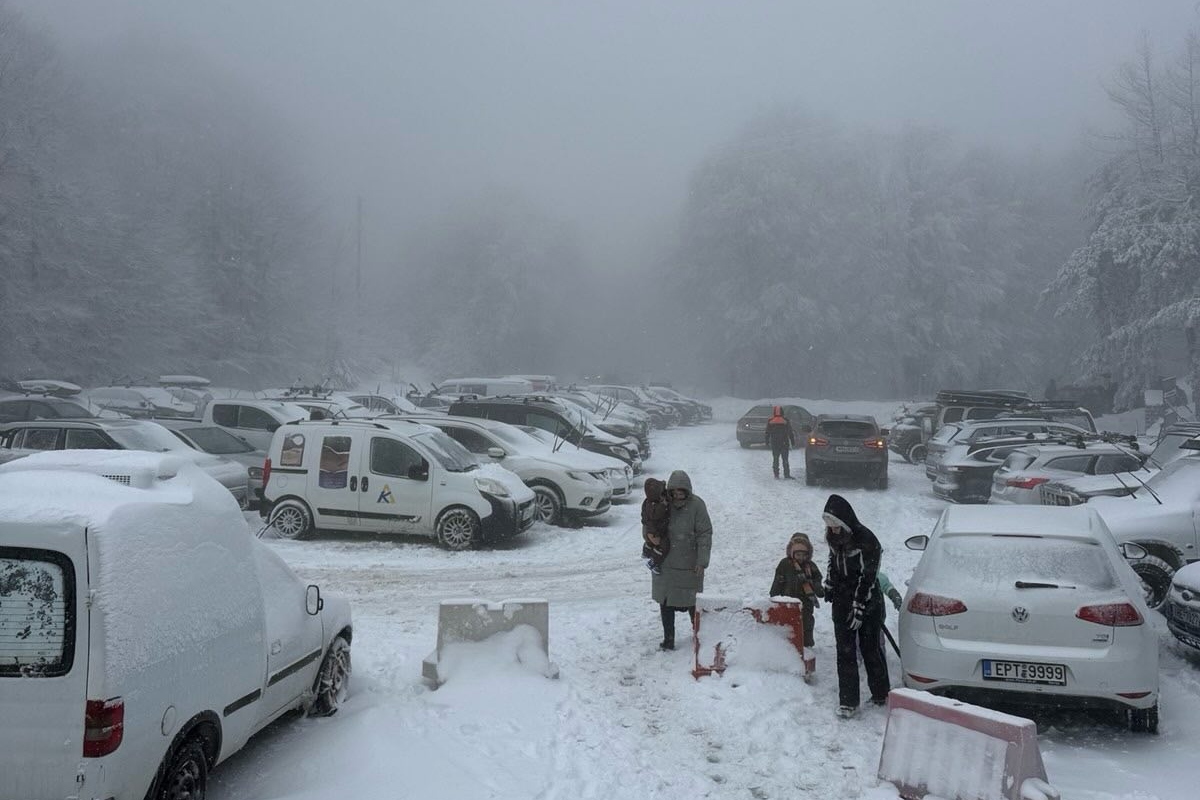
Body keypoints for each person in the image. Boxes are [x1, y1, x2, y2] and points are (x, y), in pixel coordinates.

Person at [822, 493, 890, 718]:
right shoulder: (834, 538)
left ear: (844, 521)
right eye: (828, 524)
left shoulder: (866, 540)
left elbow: (868, 576)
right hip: (842, 600)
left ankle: (881, 693)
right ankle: (848, 702)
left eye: (834, 524)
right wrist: (830, 584)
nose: (831, 529)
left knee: (870, 648)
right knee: (845, 651)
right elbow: (833, 561)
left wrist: (860, 606)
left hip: (867, 602)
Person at [651, 470, 712, 651]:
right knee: (666, 602)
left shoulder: (697, 506)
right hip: (665, 562)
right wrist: (650, 540)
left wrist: (702, 561)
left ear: (688, 491)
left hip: (689, 564)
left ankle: (700, 636)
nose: (677, 496)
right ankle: (668, 639)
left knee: (692, 602)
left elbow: (705, 534)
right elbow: (649, 523)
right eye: (674, 492)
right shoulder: (663, 505)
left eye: (681, 492)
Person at [770, 532, 823, 682]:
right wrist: (774, 595)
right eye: (797, 554)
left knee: (806, 625)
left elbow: (819, 586)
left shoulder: (811, 567)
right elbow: (777, 582)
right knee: (789, 628)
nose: (800, 557)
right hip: (789, 603)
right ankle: (789, 653)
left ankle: (806, 649)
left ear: (808, 554)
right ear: (791, 552)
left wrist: (814, 585)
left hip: (805, 604)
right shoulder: (785, 564)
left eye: (803, 554)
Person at [640, 477, 671, 574]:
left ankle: (647, 550)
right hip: (657, 531)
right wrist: (664, 505)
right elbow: (655, 515)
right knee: (663, 545)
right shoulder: (654, 505)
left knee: (653, 542)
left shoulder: (649, 502)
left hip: (655, 529)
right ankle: (654, 562)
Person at [764, 405, 797, 479]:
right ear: (782, 412)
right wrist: (792, 441)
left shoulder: (770, 421)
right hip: (784, 443)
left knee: (775, 459)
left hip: (775, 443)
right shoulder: (786, 421)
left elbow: (767, 432)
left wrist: (767, 441)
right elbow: (790, 432)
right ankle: (787, 474)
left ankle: (776, 474)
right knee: (785, 460)